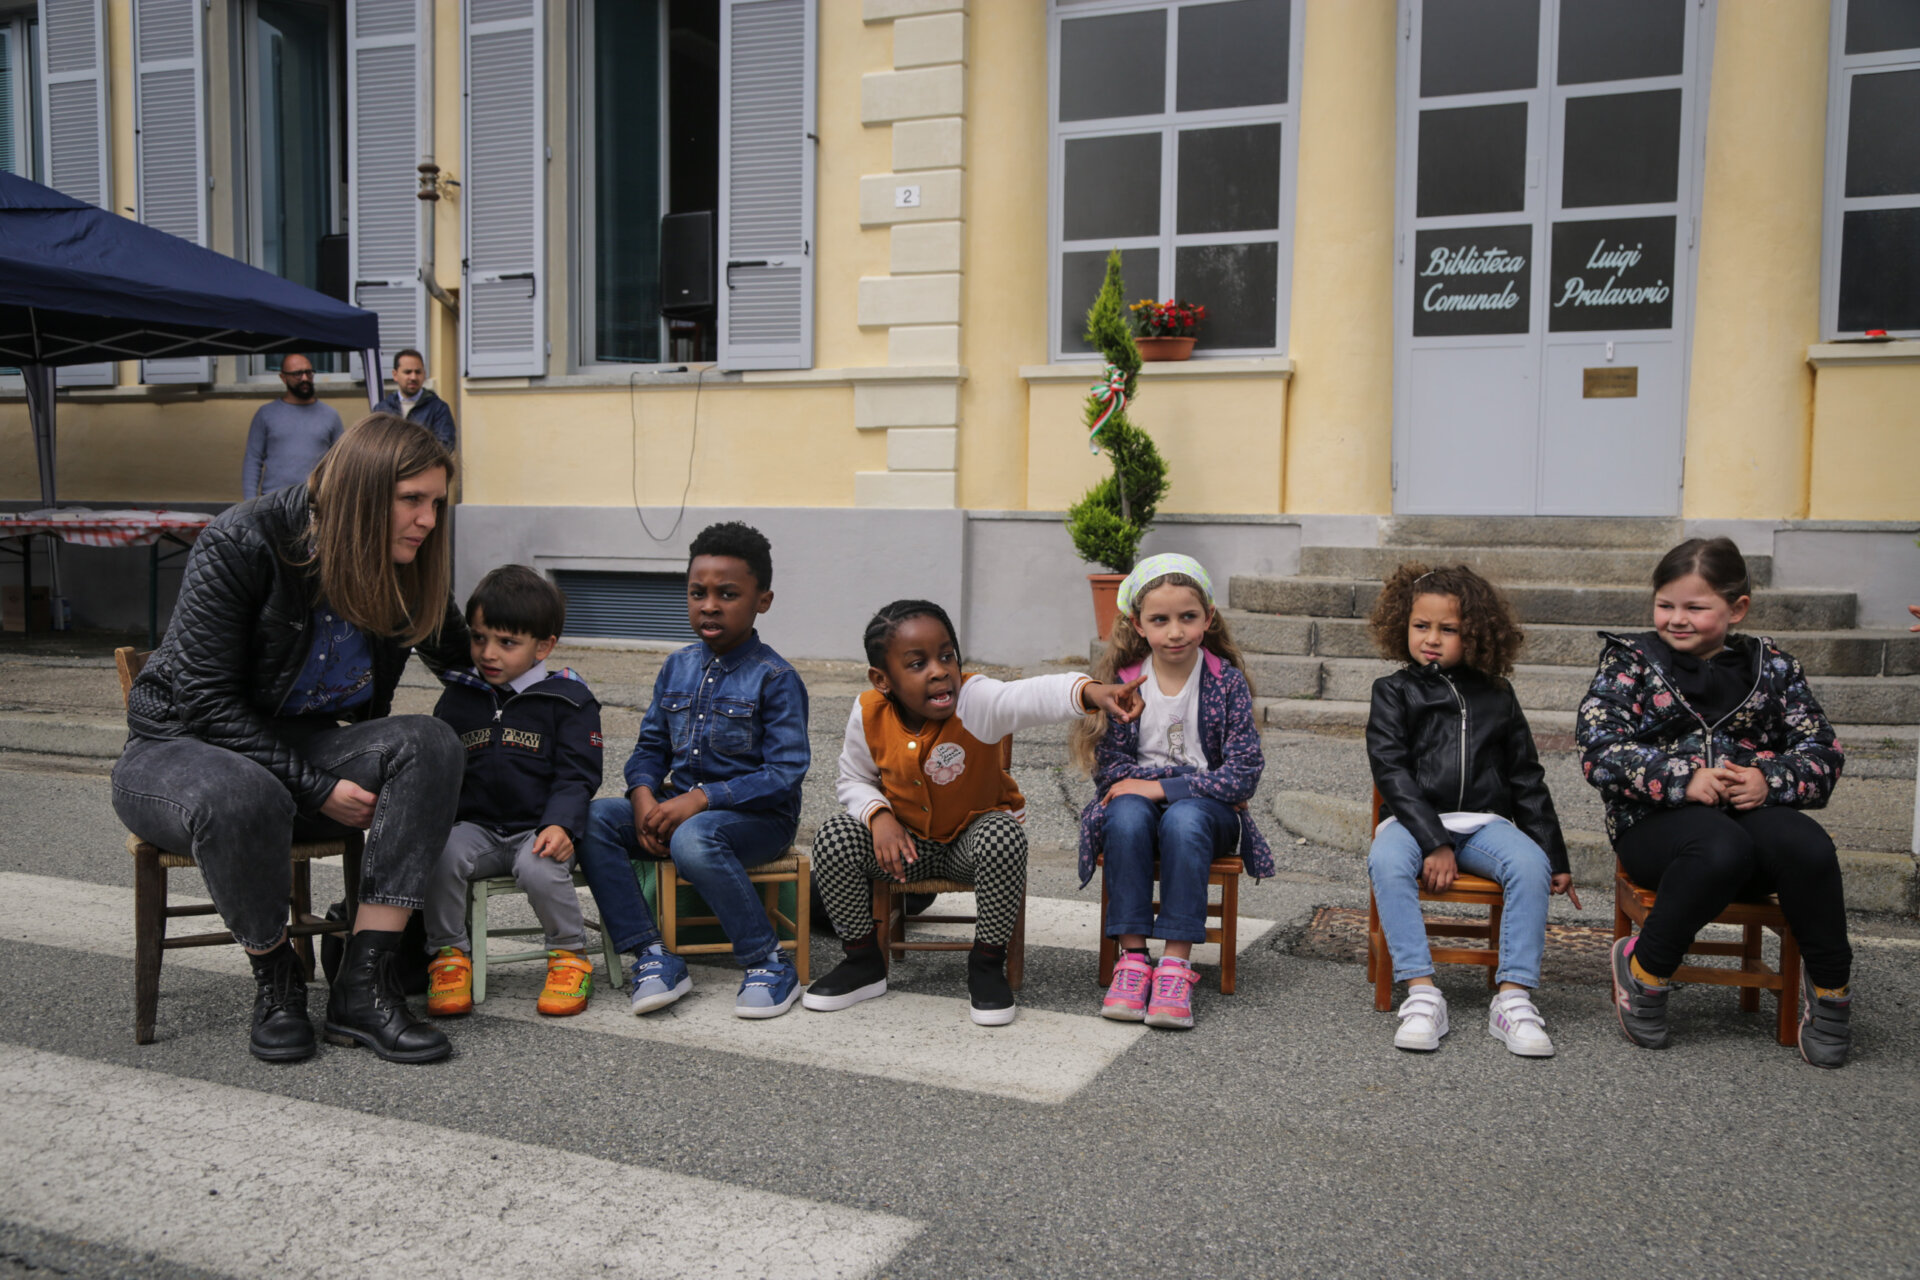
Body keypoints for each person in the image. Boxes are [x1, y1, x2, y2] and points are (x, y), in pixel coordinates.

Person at [113, 413, 469, 1064]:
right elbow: (206, 702)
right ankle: (276, 978)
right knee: (244, 794)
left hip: (301, 744)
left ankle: (363, 983)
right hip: (177, 749)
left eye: (437, 503)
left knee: (432, 742)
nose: (426, 519)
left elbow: (466, 661)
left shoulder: (401, 564)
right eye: (411, 500)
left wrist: (547, 697)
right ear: (362, 493)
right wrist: (318, 789)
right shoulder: (244, 541)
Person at [802, 600, 1145, 1026]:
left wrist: (1095, 692)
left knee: (1002, 833)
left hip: (970, 849)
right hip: (904, 849)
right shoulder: (868, 712)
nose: (939, 670)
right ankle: (862, 962)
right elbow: (852, 779)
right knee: (835, 834)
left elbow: (1034, 695)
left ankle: (986, 965)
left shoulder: (976, 700)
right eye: (917, 663)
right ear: (882, 679)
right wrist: (879, 816)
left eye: (947, 655)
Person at [1579, 538, 1852, 1067]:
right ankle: (1645, 971)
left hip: (1753, 818)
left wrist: (1768, 779)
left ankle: (1833, 994)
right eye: (1665, 605)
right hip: (1657, 826)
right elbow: (1600, 749)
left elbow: (1823, 750)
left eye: (1695, 608)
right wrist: (1683, 778)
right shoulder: (1630, 663)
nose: (1676, 619)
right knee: (1718, 847)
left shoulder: (1774, 668)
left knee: (1809, 848)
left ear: (1737, 608)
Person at [574, 522, 811, 1019]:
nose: (709, 605)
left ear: (761, 601)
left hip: (756, 820)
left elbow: (784, 772)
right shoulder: (676, 667)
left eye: (728, 594)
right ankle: (653, 955)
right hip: (677, 808)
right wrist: (642, 798)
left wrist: (701, 800)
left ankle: (768, 961)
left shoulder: (776, 678)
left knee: (694, 838)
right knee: (594, 819)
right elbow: (649, 749)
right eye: (697, 593)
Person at [1365, 564, 1574, 1057]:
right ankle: (1421, 992)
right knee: (1386, 860)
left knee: (1529, 866)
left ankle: (1513, 999)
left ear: (1476, 634)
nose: (1431, 639)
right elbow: (1391, 773)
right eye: (1421, 626)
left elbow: (1526, 776)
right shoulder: (1393, 691)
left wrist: (1555, 855)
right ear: (1403, 626)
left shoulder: (1498, 694)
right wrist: (1433, 840)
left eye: (1448, 629)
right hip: (1411, 822)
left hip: (1484, 824)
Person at [1070, 554, 1272, 1030]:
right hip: (1140, 808)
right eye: (1160, 620)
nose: (1175, 631)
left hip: (1207, 817)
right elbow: (1112, 771)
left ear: (1209, 619)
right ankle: (1134, 961)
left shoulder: (1226, 683)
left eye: (1188, 617)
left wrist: (1163, 788)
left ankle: (1176, 968)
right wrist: (1149, 789)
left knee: (1184, 818)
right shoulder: (1124, 683)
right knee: (1126, 813)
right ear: (1138, 625)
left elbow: (1243, 774)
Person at [421, 565, 603, 1019]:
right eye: (479, 638)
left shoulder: (569, 699)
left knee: (541, 868)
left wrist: (561, 823)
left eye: (507, 642)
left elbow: (577, 774)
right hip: (476, 828)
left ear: (543, 646)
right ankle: (448, 956)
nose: (488, 653)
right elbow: (441, 765)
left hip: (538, 829)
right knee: (438, 854)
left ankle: (568, 956)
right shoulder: (461, 697)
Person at [241, 353, 345, 499]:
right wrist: (249, 505)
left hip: (316, 500)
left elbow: (342, 462)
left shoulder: (330, 415)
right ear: (283, 377)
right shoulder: (266, 414)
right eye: (297, 374)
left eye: (308, 372)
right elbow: (253, 460)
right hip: (274, 501)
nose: (304, 378)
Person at [374, 347, 457, 451]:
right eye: (407, 372)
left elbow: (445, 446)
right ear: (395, 375)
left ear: (424, 374)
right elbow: (374, 446)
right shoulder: (382, 409)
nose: (413, 377)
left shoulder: (438, 409)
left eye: (418, 372)